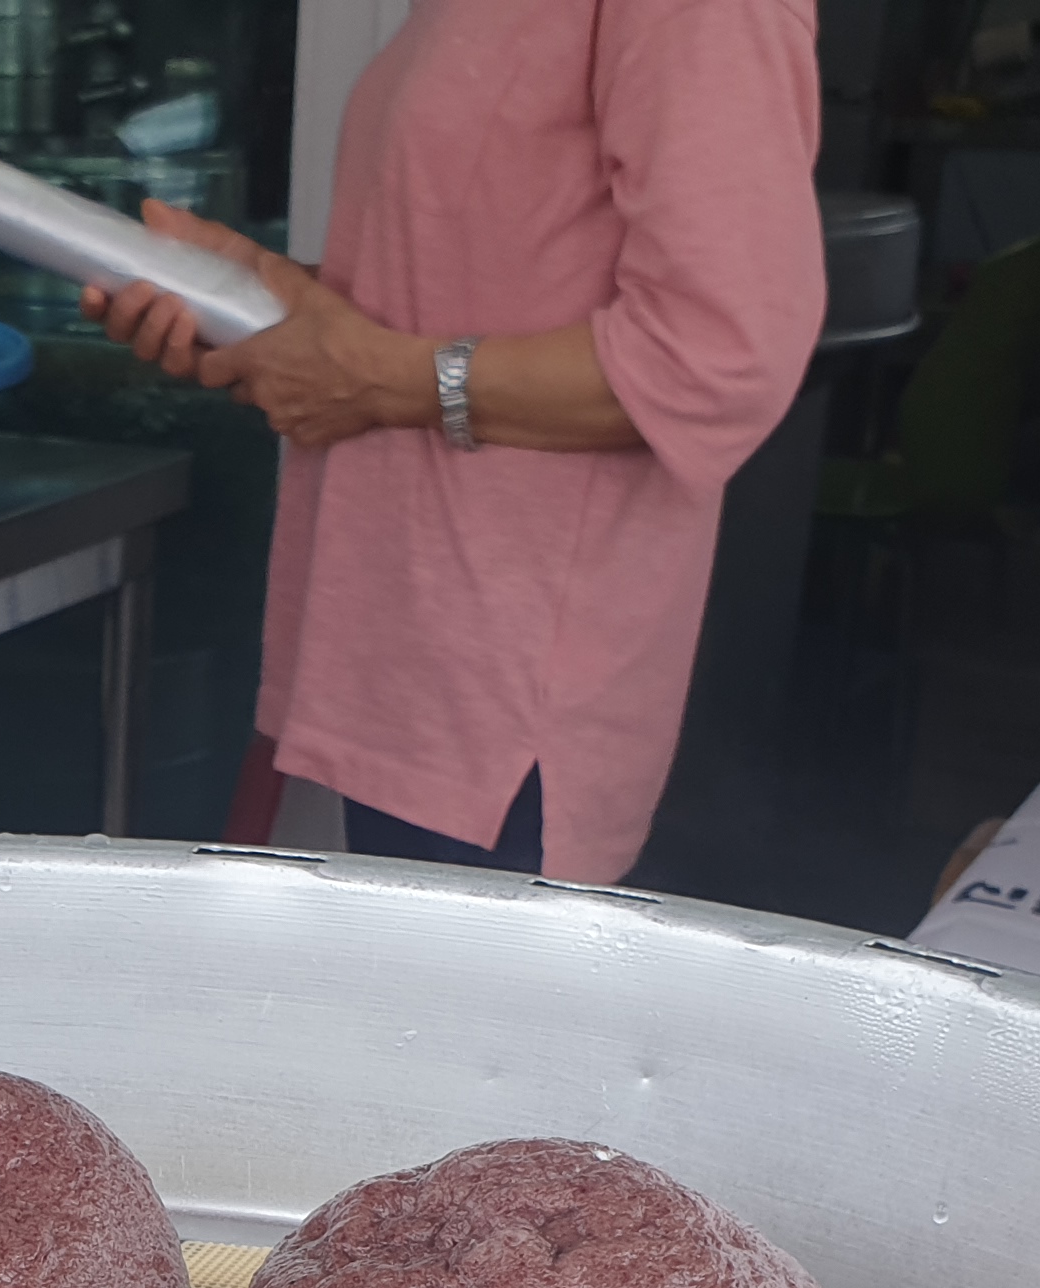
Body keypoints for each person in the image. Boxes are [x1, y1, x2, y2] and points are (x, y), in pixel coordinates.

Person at [88, 0, 823, 885]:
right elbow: (464, 280)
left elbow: (716, 354)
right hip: (407, 661)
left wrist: (380, 381)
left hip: (506, 701)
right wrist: (264, 296)